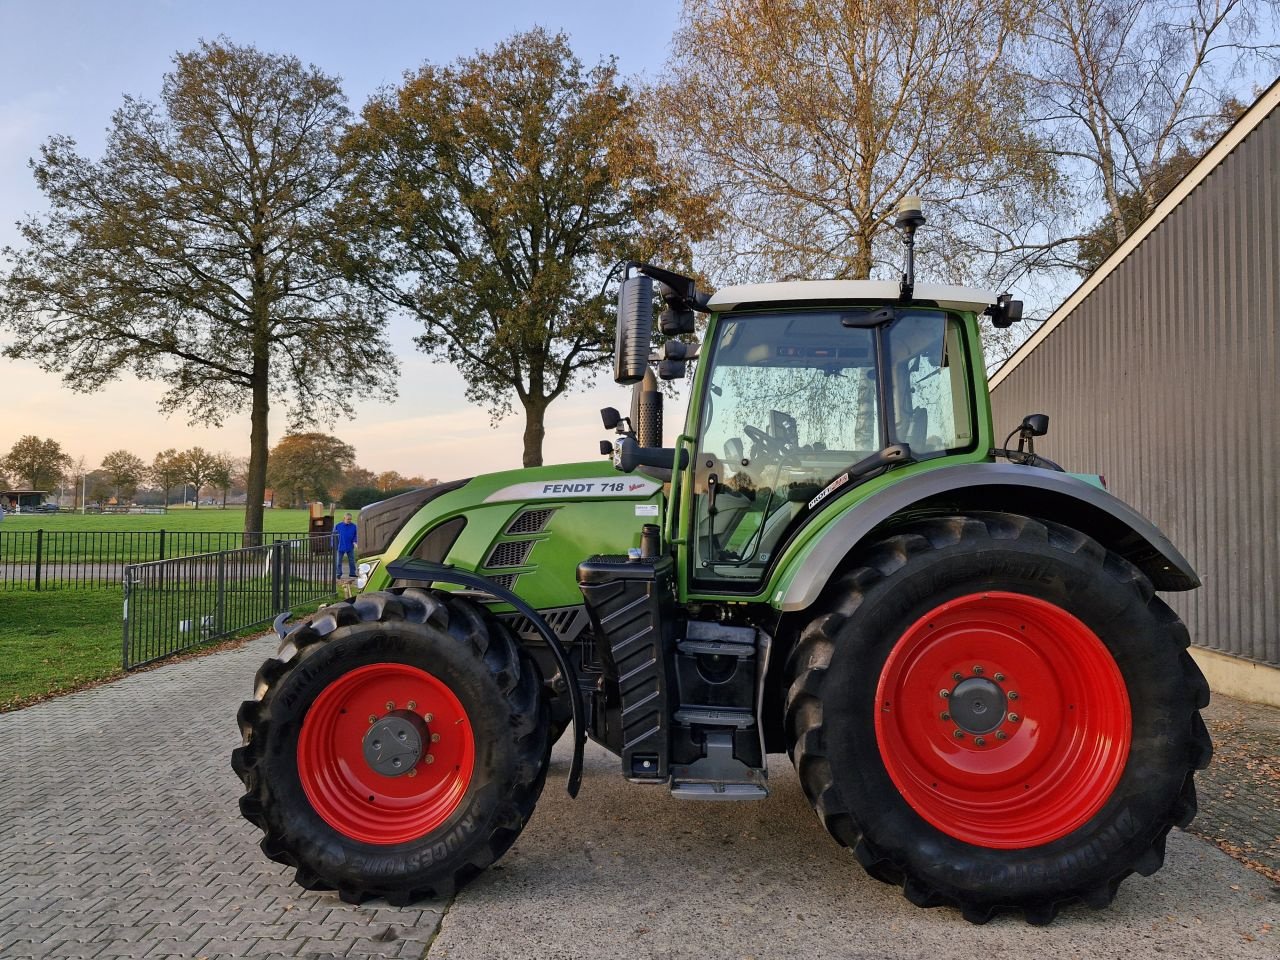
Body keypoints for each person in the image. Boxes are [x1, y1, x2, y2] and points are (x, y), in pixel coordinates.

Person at [334, 512, 358, 579]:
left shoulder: (354, 526)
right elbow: (333, 536)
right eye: (348, 519)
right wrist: (333, 545)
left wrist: (355, 542)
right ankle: (338, 573)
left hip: (350, 546)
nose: (349, 520)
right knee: (338, 561)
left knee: (352, 561)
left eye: (350, 519)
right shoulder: (338, 526)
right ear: (344, 518)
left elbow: (356, 535)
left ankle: (352, 573)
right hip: (340, 546)